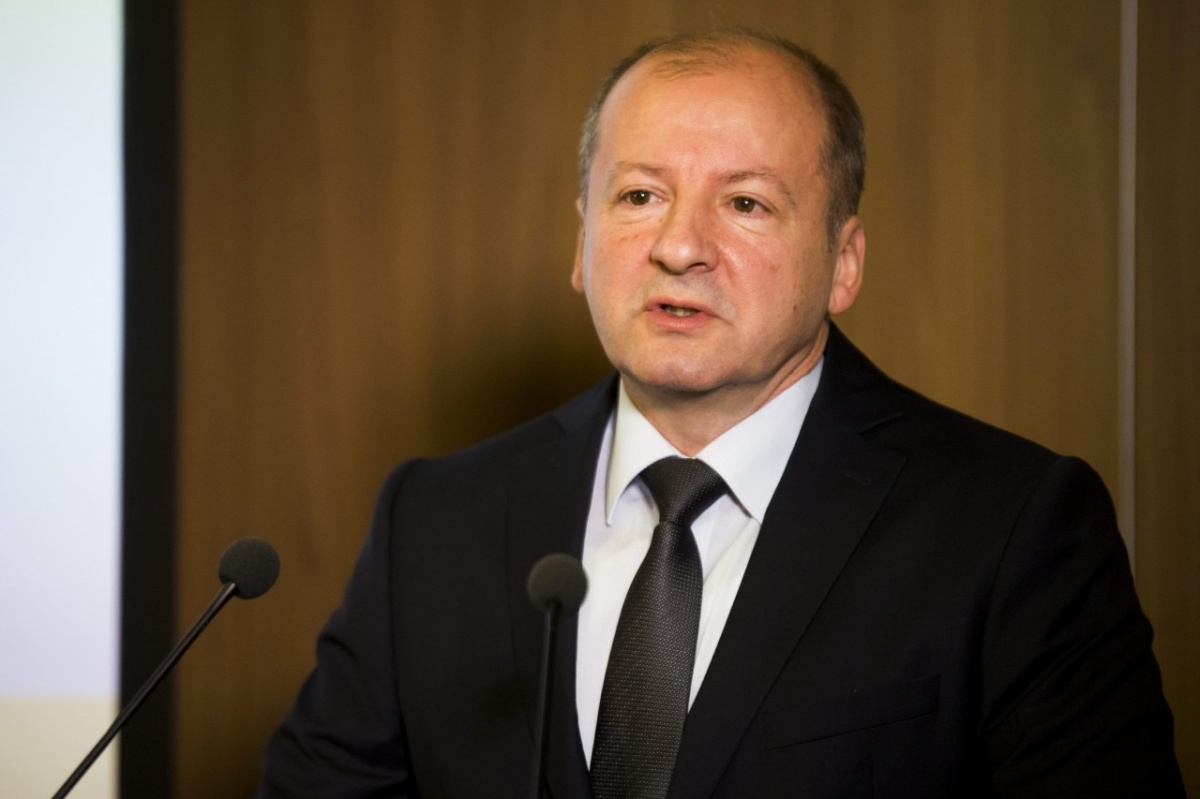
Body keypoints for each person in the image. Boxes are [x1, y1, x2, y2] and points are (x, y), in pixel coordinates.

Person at [255, 29, 1183, 797]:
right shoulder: (434, 518)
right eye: (639, 195)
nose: (679, 246)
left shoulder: (1011, 525)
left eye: (744, 202)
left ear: (844, 263)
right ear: (581, 241)